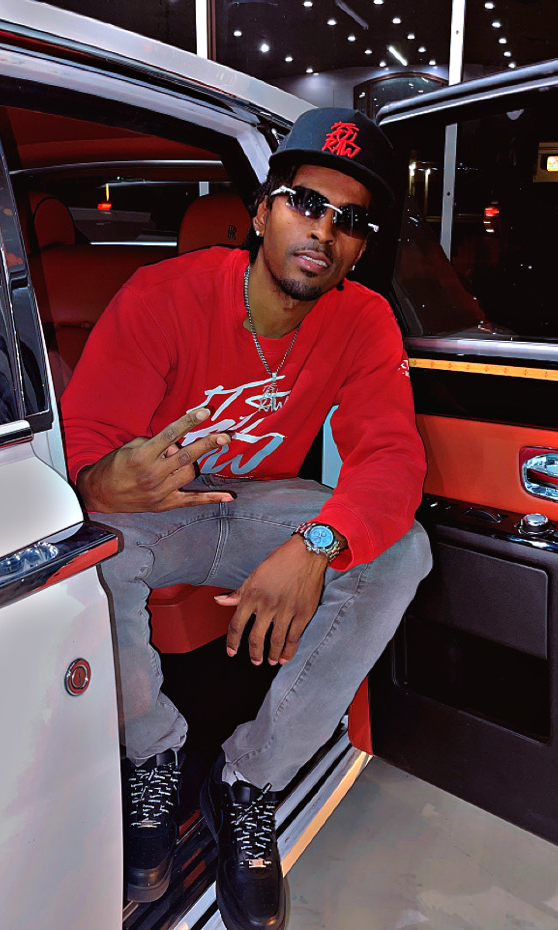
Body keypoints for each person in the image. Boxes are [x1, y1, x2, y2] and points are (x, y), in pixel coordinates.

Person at [61, 107, 432, 930]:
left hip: (259, 506)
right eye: (307, 204)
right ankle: (152, 756)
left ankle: (247, 781)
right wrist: (102, 478)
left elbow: (391, 456)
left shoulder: (363, 318)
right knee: (88, 550)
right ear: (263, 212)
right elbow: (86, 442)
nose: (324, 232)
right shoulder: (165, 293)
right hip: (159, 510)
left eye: (350, 221)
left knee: (402, 551)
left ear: (360, 248)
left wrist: (316, 544)